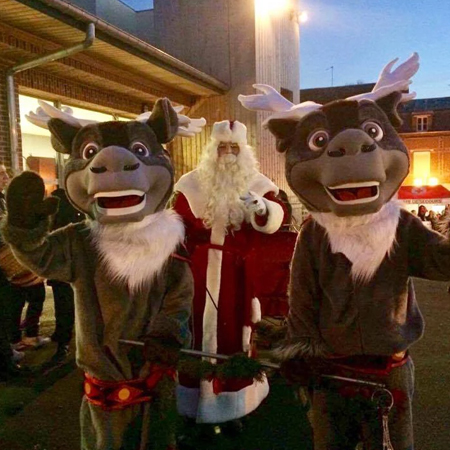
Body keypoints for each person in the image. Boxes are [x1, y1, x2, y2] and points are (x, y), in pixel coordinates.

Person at [172, 120, 286, 427]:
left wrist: (262, 209)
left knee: (235, 334)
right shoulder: (191, 182)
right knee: (194, 330)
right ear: (212, 149)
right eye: (222, 147)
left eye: (234, 148)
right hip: (197, 271)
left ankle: (232, 402)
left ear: (244, 151)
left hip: (238, 275)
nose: (228, 154)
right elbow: (175, 221)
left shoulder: (259, 183)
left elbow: (276, 215)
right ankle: (195, 398)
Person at [46, 186, 84, 364]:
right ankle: (63, 341)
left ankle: (63, 340)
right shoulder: (64, 202)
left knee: (67, 306)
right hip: (67, 266)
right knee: (67, 306)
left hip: (71, 266)